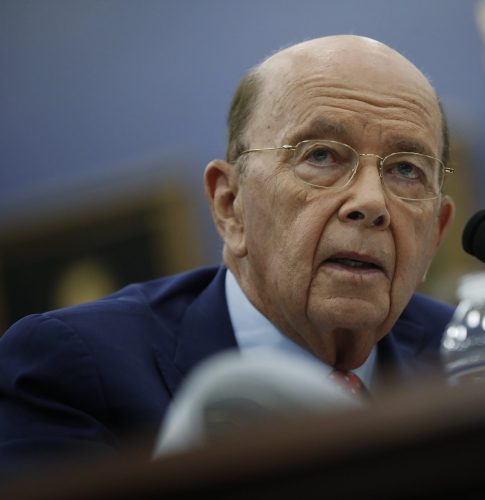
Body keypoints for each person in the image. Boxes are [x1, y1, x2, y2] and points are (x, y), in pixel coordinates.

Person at [0, 35, 455, 471]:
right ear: (230, 206)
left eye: (406, 170)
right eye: (320, 156)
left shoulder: (467, 361)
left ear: (434, 235)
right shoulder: (72, 371)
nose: (371, 203)